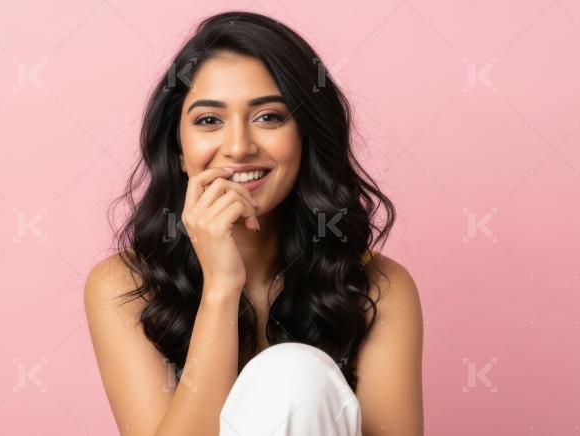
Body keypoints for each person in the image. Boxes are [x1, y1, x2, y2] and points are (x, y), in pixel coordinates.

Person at [85, 10, 424, 436]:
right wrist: (221, 286)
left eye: (269, 117)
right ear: (178, 151)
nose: (240, 147)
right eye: (209, 121)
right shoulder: (122, 286)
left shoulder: (378, 286)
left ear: (306, 137)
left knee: (294, 372)